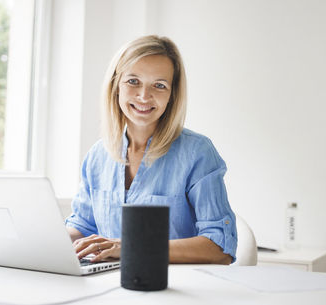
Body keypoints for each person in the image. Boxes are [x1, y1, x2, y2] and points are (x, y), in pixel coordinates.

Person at [65, 35, 237, 264]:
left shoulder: (198, 153)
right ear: (116, 86)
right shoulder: (97, 156)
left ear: (171, 95)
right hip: (108, 285)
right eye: (133, 81)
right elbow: (83, 228)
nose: (144, 96)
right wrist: (40, 243)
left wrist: (130, 247)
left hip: (175, 289)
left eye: (159, 85)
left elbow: (220, 247)